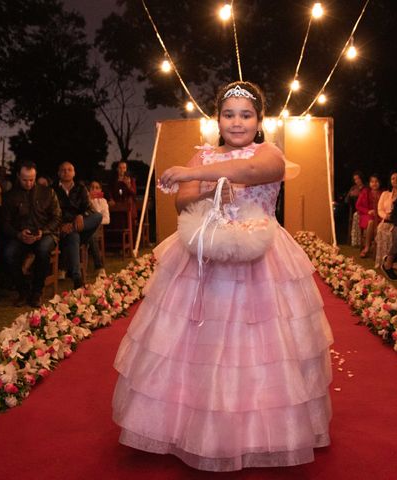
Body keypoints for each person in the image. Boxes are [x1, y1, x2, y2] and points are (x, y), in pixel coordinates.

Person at [112, 81, 333, 471]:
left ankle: (260, 429)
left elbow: (257, 169)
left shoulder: (269, 152)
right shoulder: (204, 155)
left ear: (259, 120)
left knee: (263, 346)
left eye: (245, 115)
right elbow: (183, 198)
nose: (236, 122)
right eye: (229, 114)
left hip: (261, 255)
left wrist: (197, 172)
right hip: (206, 253)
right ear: (217, 119)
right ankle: (196, 426)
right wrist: (201, 189)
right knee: (201, 342)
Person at [3, 160, 61, 308]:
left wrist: (44, 231)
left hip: (46, 233)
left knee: (42, 249)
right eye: (24, 180)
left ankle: (37, 292)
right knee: (9, 253)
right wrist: (18, 234)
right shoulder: (10, 196)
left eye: (31, 180)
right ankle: (23, 291)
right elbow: (5, 223)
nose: (28, 183)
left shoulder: (48, 192)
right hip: (21, 235)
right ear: (18, 176)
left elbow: (57, 218)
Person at [53, 162, 102, 288]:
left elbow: (89, 209)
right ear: (59, 173)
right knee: (74, 236)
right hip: (62, 231)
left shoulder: (81, 188)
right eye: (63, 170)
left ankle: (77, 277)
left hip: (79, 226)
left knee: (98, 216)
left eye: (69, 169)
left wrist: (82, 215)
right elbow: (51, 213)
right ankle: (77, 279)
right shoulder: (53, 190)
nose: (66, 172)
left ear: (74, 173)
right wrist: (63, 225)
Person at [374, 171, 397, 268]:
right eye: (393, 178)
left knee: (392, 232)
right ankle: (382, 260)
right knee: (381, 229)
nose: (395, 180)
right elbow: (380, 209)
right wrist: (385, 216)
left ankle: (393, 262)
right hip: (386, 220)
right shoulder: (385, 194)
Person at [355, 173, 382, 258]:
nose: (374, 184)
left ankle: (378, 248)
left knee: (378, 223)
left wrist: (379, 212)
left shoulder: (383, 193)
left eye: (376, 181)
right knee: (371, 222)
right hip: (366, 215)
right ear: (369, 183)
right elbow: (358, 206)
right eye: (372, 182)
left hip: (379, 216)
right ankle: (367, 247)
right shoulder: (365, 192)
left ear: (380, 183)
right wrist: (368, 211)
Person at [88, 180, 109, 276]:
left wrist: (95, 221)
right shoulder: (85, 200)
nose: (94, 189)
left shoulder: (103, 201)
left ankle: (99, 267)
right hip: (85, 226)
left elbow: (107, 219)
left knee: (92, 236)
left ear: (100, 189)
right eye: (92, 187)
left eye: (97, 187)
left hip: (96, 227)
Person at [346, 171, 365, 247]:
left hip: (364, 209)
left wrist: (359, 194)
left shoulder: (366, 187)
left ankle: (360, 241)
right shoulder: (354, 188)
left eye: (358, 179)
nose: (357, 181)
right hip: (355, 209)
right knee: (355, 215)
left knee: (356, 216)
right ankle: (355, 241)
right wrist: (351, 194)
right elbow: (346, 200)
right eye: (355, 179)